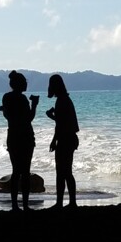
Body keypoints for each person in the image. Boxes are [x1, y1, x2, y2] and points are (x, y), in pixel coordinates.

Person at [0, 70, 39, 211]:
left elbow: (8, 116)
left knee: (16, 172)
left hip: (13, 137)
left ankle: (15, 205)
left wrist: (5, 110)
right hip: (26, 137)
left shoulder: (6, 97)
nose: (26, 84)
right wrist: (34, 105)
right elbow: (28, 119)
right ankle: (25, 205)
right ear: (20, 84)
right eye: (25, 82)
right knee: (25, 172)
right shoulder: (22, 99)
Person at [46, 74, 80, 210]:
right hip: (70, 138)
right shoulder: (65, 99)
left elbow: (60, 124)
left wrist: (54, 141)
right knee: (66, 172)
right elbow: (65, 122)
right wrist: (54, 117)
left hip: (65, 139)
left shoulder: (61, 101)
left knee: (62, 173)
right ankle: (70, 202)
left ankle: (63, 203)